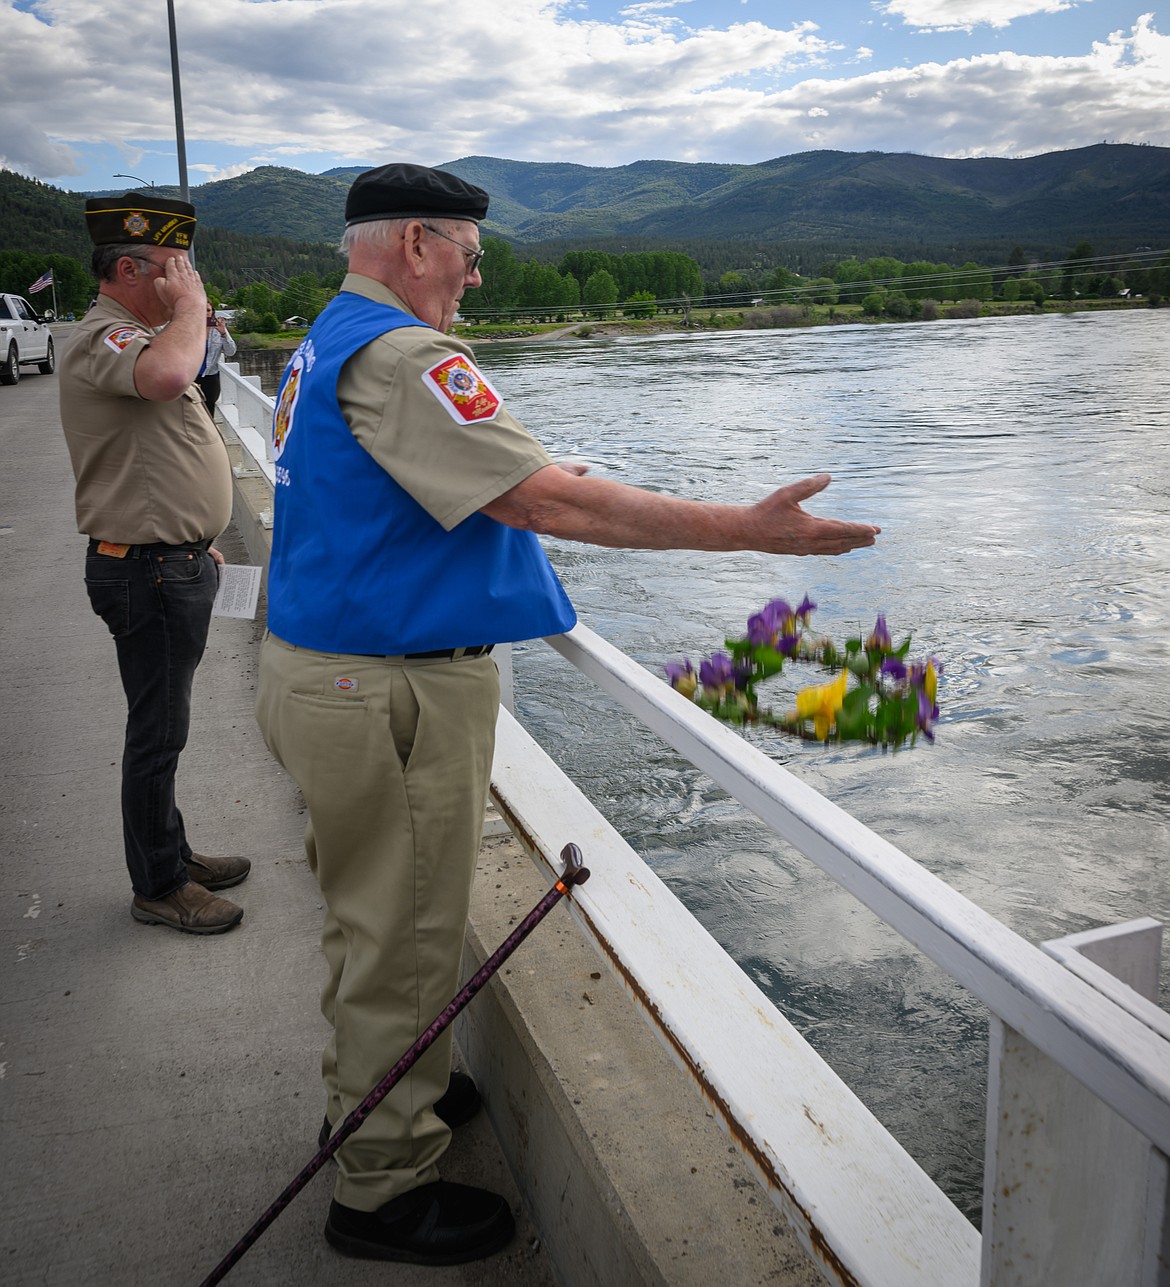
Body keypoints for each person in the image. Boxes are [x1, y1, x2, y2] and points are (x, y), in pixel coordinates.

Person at [255, 162, 880, 1267]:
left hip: (330, 667)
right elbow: (541, 501)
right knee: (400, 934)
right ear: (416, 246)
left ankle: (388, 1095)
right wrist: (747, 529)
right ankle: (380, 1185)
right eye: (470, 254)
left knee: (379, 916)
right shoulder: (408, 356)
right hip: (387, 688)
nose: (477, 278)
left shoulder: (329, 341)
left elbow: (405, 480)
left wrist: (528, 474)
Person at [58, 193, 252, 936]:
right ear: (131, 268)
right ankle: (160, 884)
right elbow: (173, 378)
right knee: (157, 732)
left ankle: (170, 850)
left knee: (163, 725)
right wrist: (192, 307)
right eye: (176, 268)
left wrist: (195, 530)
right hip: (144, 570)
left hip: (169, 559)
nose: (186, 280)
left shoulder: (144, 334)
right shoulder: (103, 337)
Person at [194, 300, 237, 418]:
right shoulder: (191, 327)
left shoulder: (218, 328)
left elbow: (231, 351)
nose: (205, 313)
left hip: (210, 376)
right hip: (191, 376)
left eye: (208, 310)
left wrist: (224, 334)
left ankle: (206, 436)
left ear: (212, 312)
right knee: (191, 411)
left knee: (209, 410)